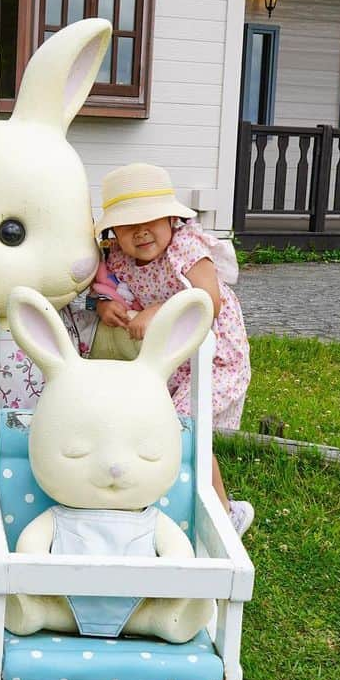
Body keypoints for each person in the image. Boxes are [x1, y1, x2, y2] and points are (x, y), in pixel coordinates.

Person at [91, 162, 254, 535]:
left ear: (171, 219)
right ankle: (163, 499)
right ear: (114, 231)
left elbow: (208, 300)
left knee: (185, 427)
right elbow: (106, 287)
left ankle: (226, 514)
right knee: (153, 422)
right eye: (129, 225)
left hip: (215, 357)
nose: (141, 231)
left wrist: (157, 311)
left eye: (151, 220)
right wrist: (104, 305)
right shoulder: (117, 256)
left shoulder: (186, 245)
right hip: (173, 359)